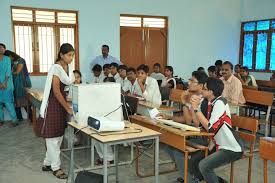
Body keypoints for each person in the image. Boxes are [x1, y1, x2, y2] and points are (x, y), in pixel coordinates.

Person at [158, 71, 209, 183]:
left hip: (203, 136)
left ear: (201, 85)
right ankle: (189, 175)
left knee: (178, 149)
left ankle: (190, 179)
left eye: (192, 81)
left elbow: (193, 122)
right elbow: (185, 119)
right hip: (192, 132)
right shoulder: (193, 96)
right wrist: (169, 118)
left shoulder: (203, 100)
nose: (189, 82)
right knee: (168, 144)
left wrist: (185, 103)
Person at [190, 77, 243, 183]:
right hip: (218, 144)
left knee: (204, 165)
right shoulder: (210, 103)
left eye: (204, 89)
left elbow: (210, 128)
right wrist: (194, 107)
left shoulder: (220, 102)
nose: (202, 91)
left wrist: (196, 109)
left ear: (210, 91)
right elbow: (199, 123)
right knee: (194, 161)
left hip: (231, 148)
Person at [38, 43, 75, 179]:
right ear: (61, 55)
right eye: (69, 55)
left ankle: (47, 163)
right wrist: (67, 107)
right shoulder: (56, 68)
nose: (71, 58)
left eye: (72, 55)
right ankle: (56, 167)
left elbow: (65, 88)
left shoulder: (68, 68)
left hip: (61, 104)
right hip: (54, 104)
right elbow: (56, 91)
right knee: (53, 138)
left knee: (58, 135)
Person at [5, 50, 32, 121]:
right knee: (15, 100)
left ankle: (31, 117)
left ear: (11, 56)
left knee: (24, 100)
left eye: (7, 58)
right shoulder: (10, 62)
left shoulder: (21, 60)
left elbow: (17, 72)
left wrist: (8, 73)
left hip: (22, 82)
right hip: (13, 83)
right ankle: (19, 118)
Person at [0, 43, 17, 127]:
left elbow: (8, 71)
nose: (0, 49)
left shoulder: (7, 59)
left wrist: (4, 83)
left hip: (7, 84)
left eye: (2, 48)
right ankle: (1, 120)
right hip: (0, 84)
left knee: (8, 103)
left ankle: (14, 120)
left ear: (4, 49)